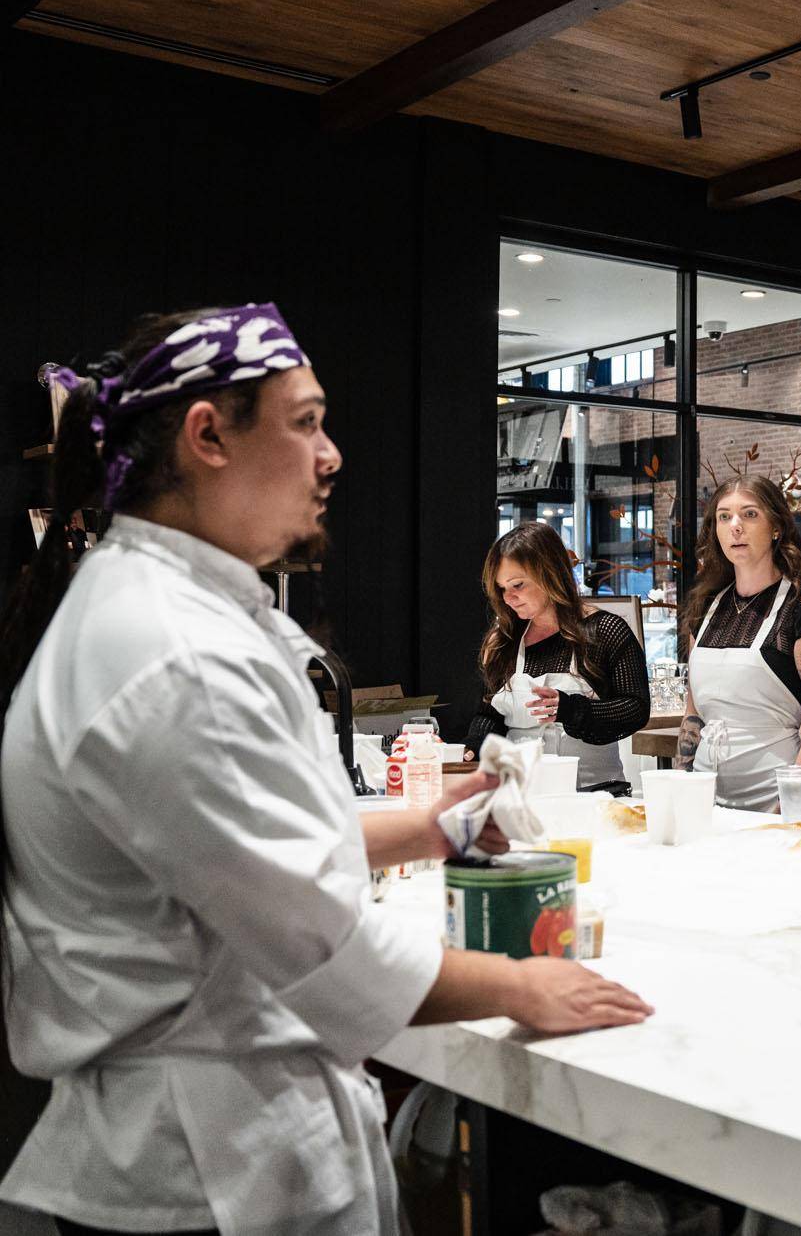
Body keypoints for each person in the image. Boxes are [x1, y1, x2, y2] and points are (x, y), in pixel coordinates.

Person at [0, 305, 650, 1236]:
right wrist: (524, 986)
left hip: (206, 1139)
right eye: (305, 422)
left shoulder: (162, 608)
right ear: (208, 436)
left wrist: (430, 826)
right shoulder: (172, 650)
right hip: (208, 1167)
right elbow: (320, 944)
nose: (332, 454)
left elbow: (233, 852)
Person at [677, 474, 801, 811]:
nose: (735, 526)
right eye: (724, 517)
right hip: (705, 801)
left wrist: (789, 801)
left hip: (776, 800)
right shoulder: (705, 607)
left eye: (749, 514)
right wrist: (680, 785)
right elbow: (693, 715)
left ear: (776, 527)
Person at [464, 521, 651, 796]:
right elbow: (490, 713)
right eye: (502, 589)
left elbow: (636, 709)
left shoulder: (605, 631)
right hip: (520, 794)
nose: (509, 598)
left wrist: (572, 710)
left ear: (549, 573)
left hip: (594, 795)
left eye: (517, 585)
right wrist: (475, 744)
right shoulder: (505, 640)